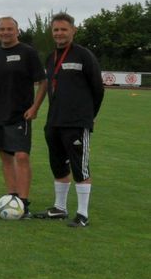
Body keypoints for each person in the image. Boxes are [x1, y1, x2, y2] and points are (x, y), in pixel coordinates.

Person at [33, 13, 105, 228]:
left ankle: (82, 214)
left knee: (79, 168)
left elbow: (98, 89)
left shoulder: (84, 55)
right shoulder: (50, 57)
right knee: (58, 166)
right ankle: (59, 208)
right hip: (54, 121)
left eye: (64, 29)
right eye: (56, 30)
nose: (59, 33)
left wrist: (88, 117)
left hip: (76, 122)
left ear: (73, 30)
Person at [0, 16, 46, 216]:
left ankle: (24, 203)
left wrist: (35, 108)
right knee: (5, 157)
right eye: (2, 29)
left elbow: (43, 82)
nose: (5, 32)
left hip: (20, 114)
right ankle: (12, 198)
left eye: (10, 29)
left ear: (17, 31)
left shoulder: (27, 53)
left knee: (21, 156)